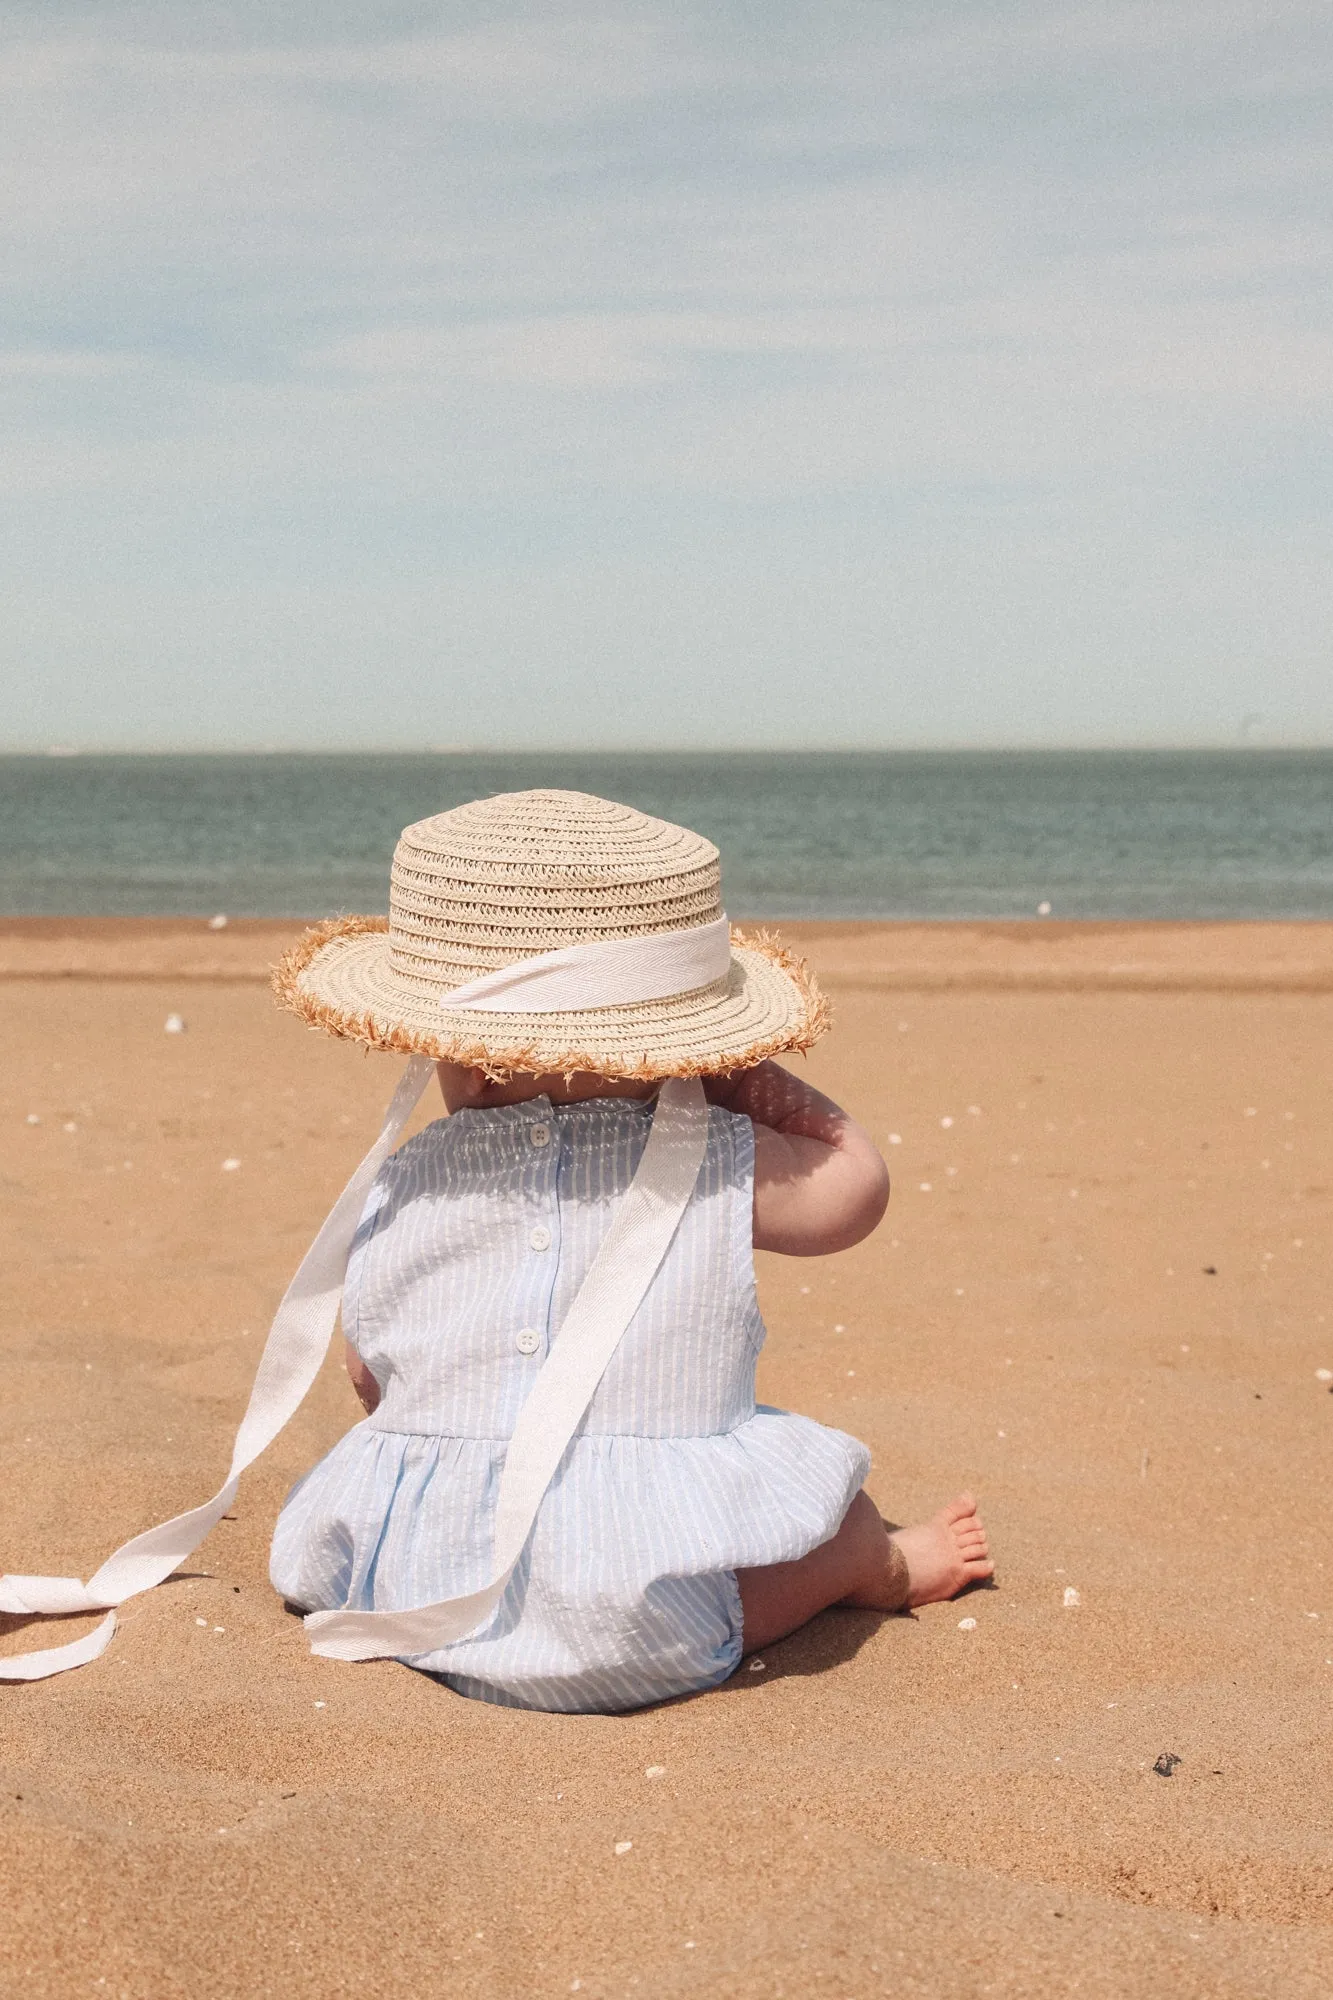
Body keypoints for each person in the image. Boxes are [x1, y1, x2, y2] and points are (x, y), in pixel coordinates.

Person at [268, 787, 992, 1711]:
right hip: (641, 1624)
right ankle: (872, 1565)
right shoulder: (720, 1158)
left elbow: (371, 1373)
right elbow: (854, 1189)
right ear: (676, 1043)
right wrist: (742, 1081)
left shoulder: (410, 1175)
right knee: (823, 1526)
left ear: (461, 1048)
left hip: (414, 1597)